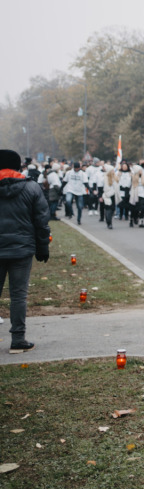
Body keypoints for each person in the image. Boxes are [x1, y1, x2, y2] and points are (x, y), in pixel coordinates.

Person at [0, 150, 49, 353]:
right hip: (21, 248)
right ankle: (18, 340)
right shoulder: (31, 187)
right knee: (19, 295)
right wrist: (42, 247)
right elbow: (41, 221)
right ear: (19, 166)